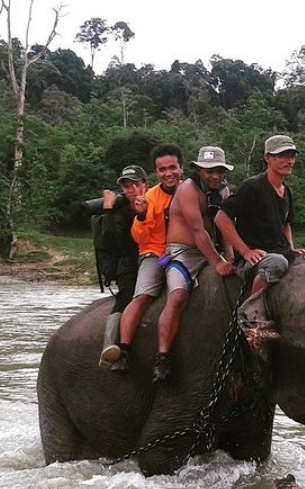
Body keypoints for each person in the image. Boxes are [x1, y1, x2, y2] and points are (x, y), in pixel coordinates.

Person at [214, 134, 305, 344]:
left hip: (279, 251)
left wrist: (293, 249)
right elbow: (221, 218)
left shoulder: (287, 191)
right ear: (268, 158)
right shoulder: (251, 187)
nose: (289, 161)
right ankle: (251, 316)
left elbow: (285, 224)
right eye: (282, 156)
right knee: (277, 262)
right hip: (255, 259)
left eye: (291, 155)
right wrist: (245, 251)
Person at [151, 146, 236, 382]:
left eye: (219, 171)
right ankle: (163, 356)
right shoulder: (187, 189)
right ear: (198, 170)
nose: (214, 176)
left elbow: (225, 225)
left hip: (212, 249)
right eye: (209, 171)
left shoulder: (224, 190)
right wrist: (217, 263)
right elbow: (198, 230)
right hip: (183, 253)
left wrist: (229, 256)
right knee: (177, 296)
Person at [107, 144, 185, 373]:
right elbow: (139, 238)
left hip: (186, 253)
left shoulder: (191, 191)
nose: (168, 173)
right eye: (162, 169)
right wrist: (140, 215)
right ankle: (124, 350)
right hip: (155, 254)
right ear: (156, 172)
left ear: (181, 167)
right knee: (141, 297)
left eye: (172, 167)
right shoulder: (150, 198)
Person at [97, 165, 149, 368]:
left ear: (145, 184)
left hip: (157, 257)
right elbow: (110, 242)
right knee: (127, 296)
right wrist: (108, 210)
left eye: (135, 184)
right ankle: (109, 346)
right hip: (129, 263)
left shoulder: (154, 201)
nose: (131, 189)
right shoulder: (119, 211)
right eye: (126, 186)